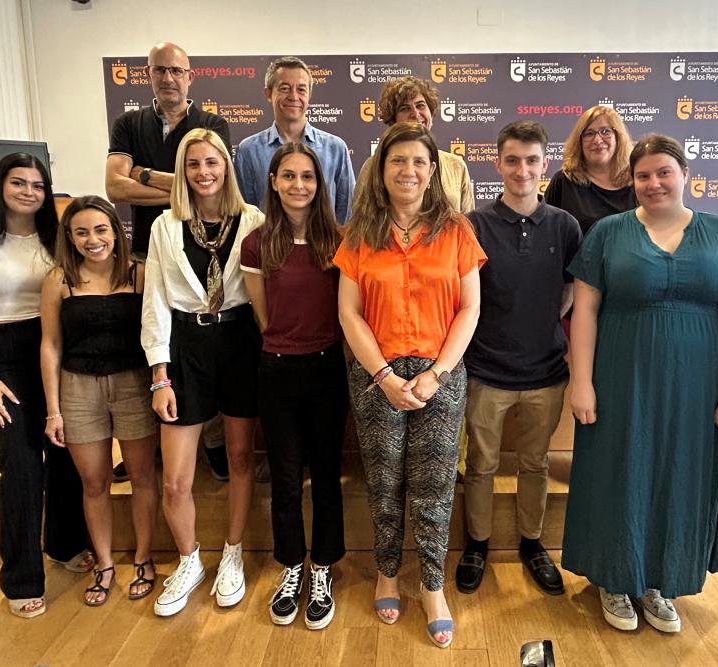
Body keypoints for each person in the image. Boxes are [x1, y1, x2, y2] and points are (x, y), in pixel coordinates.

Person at [562, 134, 718, 633]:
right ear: (632, 180)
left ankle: (659, 580)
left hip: (697, 383)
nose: (654, 183)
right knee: (618, 468)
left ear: (685, 174)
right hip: (621, 375)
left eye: (664, 172)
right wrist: (581, 381)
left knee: (680, 473)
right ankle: (613, 577)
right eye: (643, 175)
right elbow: (585, 310)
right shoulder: (608, 232)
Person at [334, 122, 485, 648]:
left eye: (419, 161)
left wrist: (437, 374)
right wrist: (383, 376)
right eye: (397, 160)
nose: (409, 170)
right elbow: (349, 313)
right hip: (376, 374)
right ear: (381, 170)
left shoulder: (456, 230)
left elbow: (470, 308)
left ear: (433, 170)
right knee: (383, 481)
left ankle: (432, 586)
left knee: (435, 485)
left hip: (440, 372)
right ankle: (386, 573)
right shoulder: (360, 233)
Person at [0, 153, 92, 619]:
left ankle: (65, 544)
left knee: (67, 455)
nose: (29, 192)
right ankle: (21, 578)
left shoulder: (55, 236)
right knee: (22, 467)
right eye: (18, 183)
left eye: (37, 185)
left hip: (56, 347)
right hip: (3, 355)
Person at [142, 128, 264, 616]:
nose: (203, 172)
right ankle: (189, 560)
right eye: (193, 164)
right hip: (186, 346)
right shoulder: (165, 225)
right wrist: (159, 375)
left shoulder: (252, 220)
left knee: (239, 459)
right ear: (182, 171)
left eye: (212, 162)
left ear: (226, 167)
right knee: (176, 478)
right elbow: (155, 301)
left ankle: (233, 553)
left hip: (240, 342)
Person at [456, 121, 581, 597]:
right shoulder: (474, 224)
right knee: (481, 465)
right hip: (486, 371)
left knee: (535, 464)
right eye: (512, 160)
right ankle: (477, 545)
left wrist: (542, 324)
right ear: (498, 164)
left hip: (546, 371)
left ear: (545, 164)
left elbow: (570, 291)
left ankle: (532, 544)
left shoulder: (565, 226)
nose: (522, 170)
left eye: (531, 160)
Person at [105, 40, 231, 482]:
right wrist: (180, 185)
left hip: (202, 251)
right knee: (153, 347)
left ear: (190, 77)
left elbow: (209, 183)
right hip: (145, 252)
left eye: (177, 71)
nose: (168, 78)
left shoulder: (212, 123)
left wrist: (142, 173)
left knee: (202, 353)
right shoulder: (129, 123)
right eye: (160, 70)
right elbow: (114, 187)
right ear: (148, 75)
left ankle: (213, 443)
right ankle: (153, 444)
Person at [240, 142, 347, 630]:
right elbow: (262, 315)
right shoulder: (257, 243)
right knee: (284, 478)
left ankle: (322, 567)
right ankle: (291, 566)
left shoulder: (338, 241)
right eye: (289, 176)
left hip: (327, 370)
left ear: (319, 184)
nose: (298, 185)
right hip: (277, 369)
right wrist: (286, 343)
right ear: (274, 182)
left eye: (307, 176)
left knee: (325, 475)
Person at [40, 196, 159, 606]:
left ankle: (143, 557)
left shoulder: (140, 273)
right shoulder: (59, 280)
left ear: (116, 231)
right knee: (94, 482)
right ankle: (105, 564)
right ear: (70, 237)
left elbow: (156, 331)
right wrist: (53, 409)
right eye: (82, 232)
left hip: (133, 383)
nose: (93, 240)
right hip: (78, 388)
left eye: (100, 229)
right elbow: (50, 345)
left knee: (142, 477)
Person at [235, 56, 355, 223]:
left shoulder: (335, 149)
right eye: (285, 88)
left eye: (301, 89)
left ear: (309, 95)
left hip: (325, 241)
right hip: (268, 240)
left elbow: (346, 215)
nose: (293, 96)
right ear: (269, 94)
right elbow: (245, 216)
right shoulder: (249, 151)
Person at [353, 76, 475, 214]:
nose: (416, 114)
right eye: (405, 108)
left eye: (420, 105)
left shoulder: (456, 165)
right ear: (393, 119)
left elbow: (467, 222)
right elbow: (361, 219)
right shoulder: (372, 166)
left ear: (431, 111)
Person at [543, 105, 635, 235]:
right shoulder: (564, 181)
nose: (597, 140)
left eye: (605, 131)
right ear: (579, 141)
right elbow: (544, 232)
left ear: (618, 137)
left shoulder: (637, 180)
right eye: (589, 133)